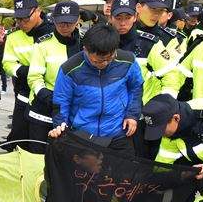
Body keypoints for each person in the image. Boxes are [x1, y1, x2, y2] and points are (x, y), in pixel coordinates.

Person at [49, 23, 143, 154]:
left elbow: (136, 87)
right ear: (85, 49)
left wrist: (132, 115)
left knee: (124, 173)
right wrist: (60, 126)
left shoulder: (128, 61)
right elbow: (61, 102)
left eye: (109, 59)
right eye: (97, 61)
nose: (103, 64)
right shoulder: (70, 69)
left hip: (118, 132)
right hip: (83, 134)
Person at [26, 0, 81, 153]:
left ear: (77, 20)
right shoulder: (42, 45)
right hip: (44, 108)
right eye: (60, 22)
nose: (64, 26)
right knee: (38, 155)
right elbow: (34, 77)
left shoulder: (85, 44)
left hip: (74, 109)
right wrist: (48, 96)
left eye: (69, 23)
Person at [0, 0, 53, 151]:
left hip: (48, 97)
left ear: (38, 11)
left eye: (25, 19)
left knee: (43, 144)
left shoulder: (55, 32)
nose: (22, 23)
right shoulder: (14, 37)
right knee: (20, 139)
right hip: (24, 94)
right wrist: (27, 71)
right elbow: (8, 63)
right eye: (18, 20)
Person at [110, 0, 178, 106]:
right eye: (118, 18)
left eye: (128, 17)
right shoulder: (102, 41)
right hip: (108, 111)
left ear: (135, 17)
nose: (123, 23)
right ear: (110, 18)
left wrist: (164, 105)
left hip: (141, 112)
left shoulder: (150, 43)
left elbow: (171, 76)